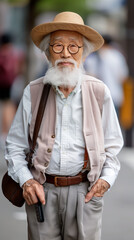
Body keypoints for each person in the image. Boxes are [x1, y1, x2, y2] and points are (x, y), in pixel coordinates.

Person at [5, 12, 123, 240]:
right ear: (48, 53)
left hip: (85, 192)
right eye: (57, 46)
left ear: (84, 53)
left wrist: (105, 180)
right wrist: (27, 181)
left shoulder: (99, 91)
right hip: (42, 190)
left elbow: (113, 145)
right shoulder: (33, 91)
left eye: (73, 47)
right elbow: (15, 146)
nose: (65, 54)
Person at [84, 35, 128, 115]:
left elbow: (89, 76)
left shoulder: (92, 57)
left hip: (96, 97)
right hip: (115, 95)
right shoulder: (117, 56)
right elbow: (123, 77)